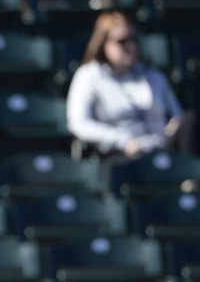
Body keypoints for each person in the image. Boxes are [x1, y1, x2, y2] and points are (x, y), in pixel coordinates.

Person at [66, 11, 194, 168]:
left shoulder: (153, 75)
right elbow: (79, 124)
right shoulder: (89, 75)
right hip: (120, 154)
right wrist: (123, 140)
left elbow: (178, 116)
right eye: (122, 41)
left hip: (161, 147)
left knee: (190, 121)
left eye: (134, 39)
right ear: (103, 43)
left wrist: (173, 127)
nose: (131, 46)